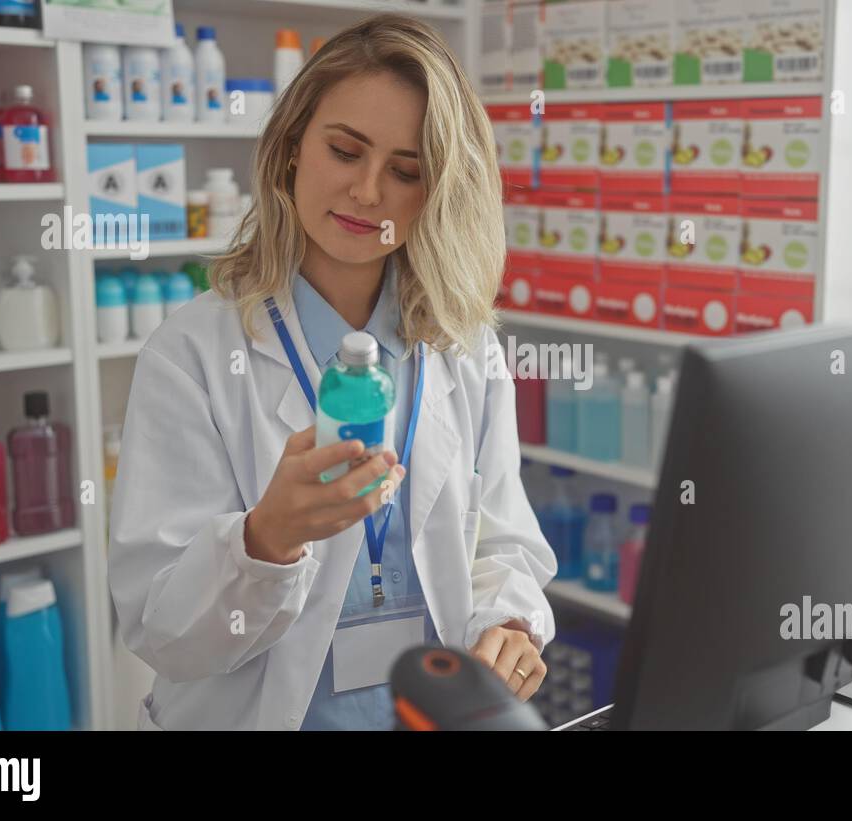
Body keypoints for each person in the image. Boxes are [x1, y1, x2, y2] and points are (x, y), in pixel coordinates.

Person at [108, 14, 557, 730]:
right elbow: (160, 628)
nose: (368, 191)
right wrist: (266, 539)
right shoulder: (191, 353)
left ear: (437, 188)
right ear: (291, 149)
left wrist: (512, 623)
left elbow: (502, 541)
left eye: (406, 170)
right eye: (344, 150)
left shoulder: (464, 348)